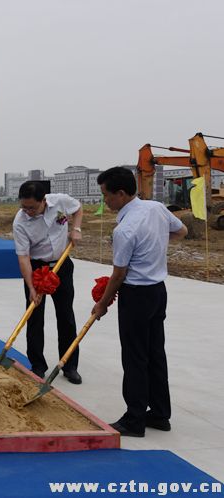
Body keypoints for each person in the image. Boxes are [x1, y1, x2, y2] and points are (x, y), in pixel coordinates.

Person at [92, 167, 187, 437]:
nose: (105, 201)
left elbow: (119, 274)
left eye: (106, 195)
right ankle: (159, 413)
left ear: (121, 194)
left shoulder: (125, 230)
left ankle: (134, 419)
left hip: (136, 296)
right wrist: (156, 246)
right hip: (157, 292)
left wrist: (102, 304)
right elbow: (182, 231)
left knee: (135, 357)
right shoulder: (156, 208)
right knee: (155, 353)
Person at [12, 181, 83, 384]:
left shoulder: (60, 201)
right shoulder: (20, 222)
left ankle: (69, 365)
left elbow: (78, 208)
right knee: (34, 317)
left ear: (44, 200)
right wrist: (31, 287)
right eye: (24, 207)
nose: (28, 211)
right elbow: (23, 257)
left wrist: (76, 228)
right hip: (37, 269)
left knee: (66, 316)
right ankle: (37, 365)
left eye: (32, 208)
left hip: (62, 265)